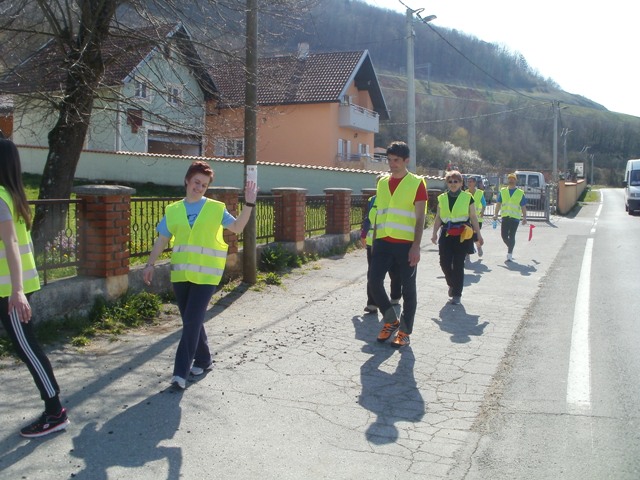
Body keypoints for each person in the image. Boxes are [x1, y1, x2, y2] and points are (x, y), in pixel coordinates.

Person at [143, 161, 257, 389]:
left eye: (204, 185)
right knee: (191, 321)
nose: (199, 187)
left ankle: (179, 374)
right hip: (181, 275)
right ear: (187, 180)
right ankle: (204, 360)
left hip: (206, 276)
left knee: (192, 322)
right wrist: (150, 264)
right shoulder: (173, 210)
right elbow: (162, 239)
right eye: (197, 182)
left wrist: (249, 203)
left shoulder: (215, 208)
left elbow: (236, 227)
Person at [0, 138, 70, 438]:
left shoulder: (1, 197)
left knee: (26, 347)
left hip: (9, 291)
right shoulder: (10, 194)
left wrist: (16, 291)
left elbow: (11, 243)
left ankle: (55, 411)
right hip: (10, 287)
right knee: (25, 346)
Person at [369, 141, 427, 348]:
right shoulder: (382, 182)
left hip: (406, 244)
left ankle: (404, 331)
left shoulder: (417, 183)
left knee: (408, 289)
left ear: (406, 161)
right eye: (389, 160)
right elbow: (379, 213)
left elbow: (420, 218)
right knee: (373, 281)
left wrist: (416, 246)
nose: (392, 164)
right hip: (383, 242)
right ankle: (391, 319)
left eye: (396, 160)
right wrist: (375, 240)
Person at [431, 170, 484, 305]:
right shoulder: (442, 198)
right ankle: (451, 284)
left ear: (461, 183)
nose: (453, 184)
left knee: (459, 265)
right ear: (447, 183)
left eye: (456, 181)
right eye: (450, 181)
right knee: (444, 263)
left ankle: (457, 295)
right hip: (446, 234)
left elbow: (473, 217)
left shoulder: (468, 197)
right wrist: (434, 233)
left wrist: (478, 234)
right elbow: (438, 218)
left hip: (462, 234)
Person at [360, 178, 401, 314]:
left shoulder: (396, 200)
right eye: (379, 184)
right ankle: (372, 303)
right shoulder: (372, 200)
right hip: (374, 243)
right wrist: (363, 234)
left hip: (392, 241)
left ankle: (395, 296)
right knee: (373, 274)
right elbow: (367, 219)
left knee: (394, 272)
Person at [493, 173, 527, 262]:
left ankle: (509, 253)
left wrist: (524, 217)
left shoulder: (520, 193)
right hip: (505, 217)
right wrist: (495, 214)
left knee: (512, 236)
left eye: (513, 179)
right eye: (510, 179)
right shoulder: (503, 191)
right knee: (504, 236)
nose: (511, 180)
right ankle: (511, 246)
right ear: (508, 180)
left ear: (516, 181)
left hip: (515, 218)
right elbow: (498, 204)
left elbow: (523, 206)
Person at [465, 176, 486, 258]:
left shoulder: (480, 193)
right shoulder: (465, 192)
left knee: (474, 236)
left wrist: (483, 211)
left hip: (477, 219)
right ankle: (467, 253)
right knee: (467, 235)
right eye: (468, 181)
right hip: (467, 219)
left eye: (471, 181)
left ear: (474, 183)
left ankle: (478, 246)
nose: (469, 183)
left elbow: (484, 204)